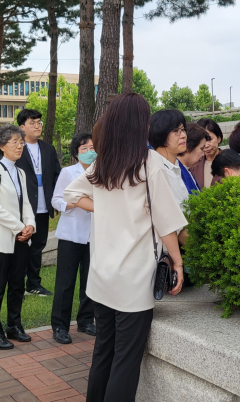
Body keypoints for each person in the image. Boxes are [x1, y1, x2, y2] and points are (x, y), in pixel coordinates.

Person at [63, 93, 186, 402]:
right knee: (126, 361)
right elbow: (166, 222)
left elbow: (71, 194)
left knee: (104, 351)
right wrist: (178, 262)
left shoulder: (104, 162)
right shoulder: (149, 163)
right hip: (133, 280)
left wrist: (104, 208)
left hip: (102, 275)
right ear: (139, 124)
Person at [0, 125, 36, 350]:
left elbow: (25, 203)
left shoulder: (20, 172)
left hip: (20, 238)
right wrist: (19, 227)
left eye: (21, 142)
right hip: (1, 238)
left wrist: (30, 224)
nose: (19, 146)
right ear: (2, 145)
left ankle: (14, 326)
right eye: (14, 142)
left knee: (17, 284)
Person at [50, 133, 97, 345]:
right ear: (76, 153)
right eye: (84, 148)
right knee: (65, 282)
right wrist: (73, 203)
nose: (89, 152)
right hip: (71, 233)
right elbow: (56, 199)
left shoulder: (101, 171)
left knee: (89, 279)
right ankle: (60, 325)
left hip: (94, 234)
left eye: (92, 148)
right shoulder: (68, 172)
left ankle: (86, 320)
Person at [16, 109, 62, 297]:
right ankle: (17, 284)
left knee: (38, 246)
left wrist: (57, 200)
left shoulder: (48, 149)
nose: (37, 126)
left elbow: (57, 175)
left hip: (43, 206)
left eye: (39, 123)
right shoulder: (17, 148)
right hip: (23, 207)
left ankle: (33, 284)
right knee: (20, 246)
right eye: (32, 123)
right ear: (22, 127)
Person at [148, 110, 190, 246]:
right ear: (161, 133)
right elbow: (173, 225)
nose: (183, 135)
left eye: (183, 130)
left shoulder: (176, 166)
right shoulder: (156, 169)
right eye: (176, 131)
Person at [190, 118, 224, 189]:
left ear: (219, 138)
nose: (206, 145)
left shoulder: (230, 161)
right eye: (202, 141)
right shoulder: (193, 164)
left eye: (210, 139)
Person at [177, 122, 209, 194]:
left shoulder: (186, 170)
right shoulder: (177, 174)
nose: (203, 154)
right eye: (201, 149)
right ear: (188, 147)